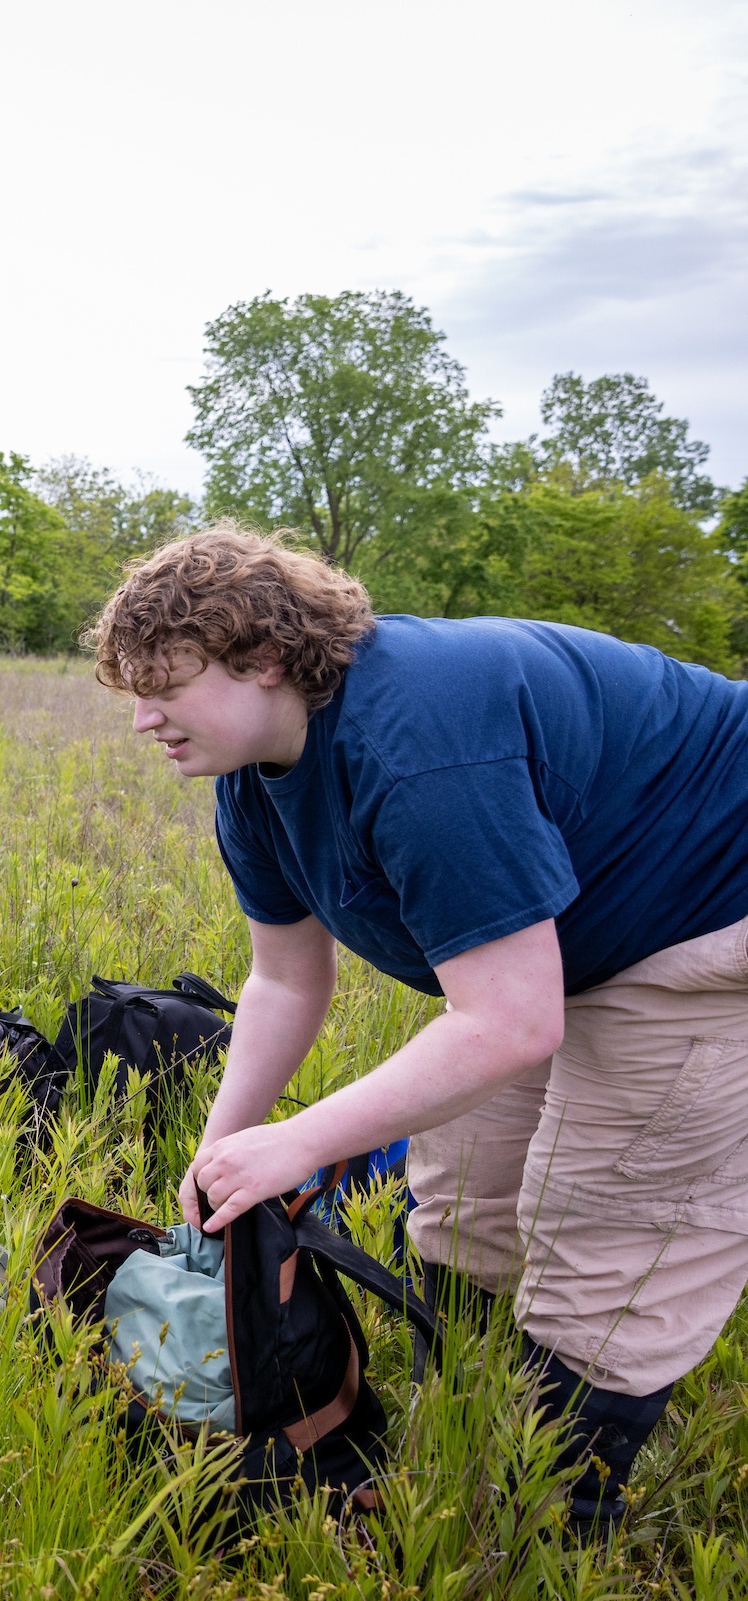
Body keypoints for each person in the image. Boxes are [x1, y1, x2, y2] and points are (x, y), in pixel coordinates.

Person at [95, 526, 748, 1539]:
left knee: (608, 1216)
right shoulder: (249, 777)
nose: (141, 717)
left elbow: (512, 1020)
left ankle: (543, 1522)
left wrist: (309, 1140)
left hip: (709, 910)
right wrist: (227, 1147)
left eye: (163, 685)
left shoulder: (418, 742)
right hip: (569, 935)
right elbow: (281, 980)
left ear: (264, 658)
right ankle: (464, 1412)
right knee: (462, 1182)